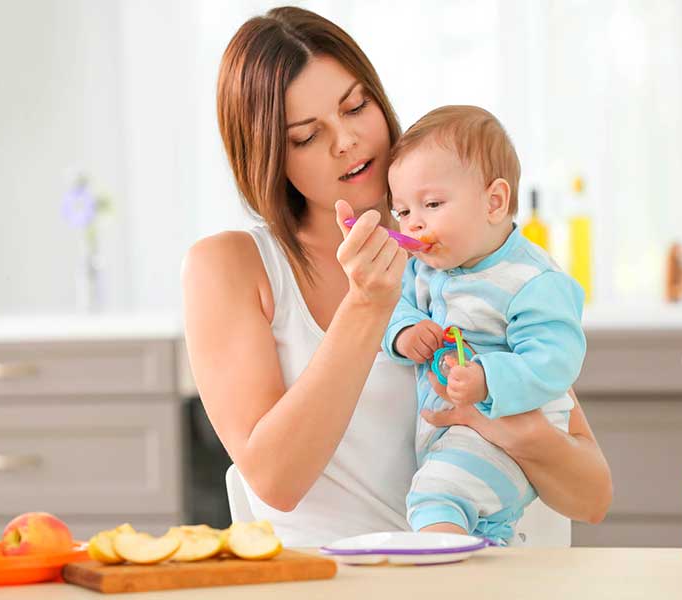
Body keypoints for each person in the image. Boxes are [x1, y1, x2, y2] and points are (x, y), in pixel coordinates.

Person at [181, 6, 612, 548]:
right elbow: (275, 481)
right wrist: (367, 306)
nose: (346, 141)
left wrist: (500, 421)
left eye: (356, 106)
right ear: (268, 156)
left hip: (482, 578)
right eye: (307, 136)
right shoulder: (231, 267)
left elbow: (591, 496)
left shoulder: (460, 249)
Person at [383, 105, 586, 545]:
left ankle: (449, 581)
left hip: (508, 432)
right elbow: (392, 306)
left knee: (433, 501)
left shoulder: (531, 279)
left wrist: (487, 379)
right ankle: (488, 549)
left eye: (432, 204)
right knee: (468, 515)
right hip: (450, 435)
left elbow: (556, 361)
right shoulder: (424, 271)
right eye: (401, 212)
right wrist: (404, 332)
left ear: (494, 202)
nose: (413, 223)